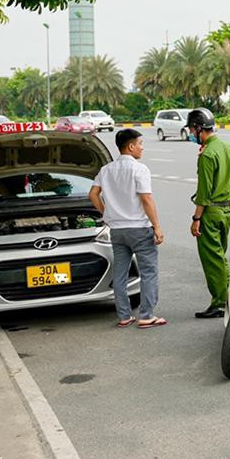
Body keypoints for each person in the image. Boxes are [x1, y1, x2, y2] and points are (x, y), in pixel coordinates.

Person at [88, 129, 167, 329]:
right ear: (131, 146)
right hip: (139, 229)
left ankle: (124, 316)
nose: (142, 148)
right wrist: (157, 227)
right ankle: (146, 315)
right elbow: (146, 199)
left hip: (117, 230)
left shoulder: (106, 170)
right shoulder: (139, 169)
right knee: (148, 272)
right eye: (140, 144)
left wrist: (107, 213)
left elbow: (93, 194)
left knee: (120, 274)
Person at [187, 108, 230, 319]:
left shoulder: (207, 154)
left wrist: (196, 218)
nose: (190, 133)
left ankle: (220, 303)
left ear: (199, 128)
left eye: (191, 129)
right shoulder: (227, 147)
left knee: (212, 260)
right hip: (226, 210)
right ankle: (228, 298)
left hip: (211, 212)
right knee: (220, 256)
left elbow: (204, 193)